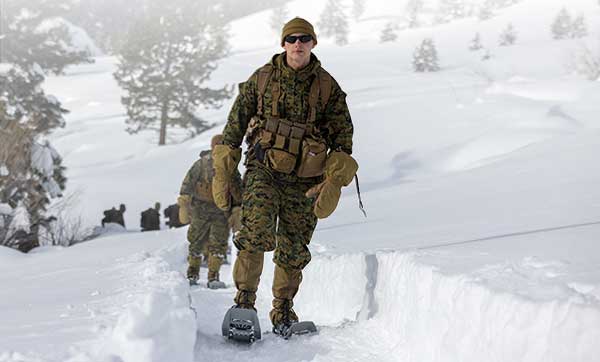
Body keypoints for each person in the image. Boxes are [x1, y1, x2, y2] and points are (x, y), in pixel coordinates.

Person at [212, 17, 357, 335]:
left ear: (313, 43)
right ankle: (244, 305)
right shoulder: (262, 79)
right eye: (291, 38)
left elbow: (342, 133)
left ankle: (283, 312)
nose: (298, 44)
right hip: (263, 169)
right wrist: (225, 162)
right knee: (255, 232)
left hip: (306, 179)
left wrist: (333, 176)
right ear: (283, 43)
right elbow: (236, 120)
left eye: (304, 38)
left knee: (294, 245)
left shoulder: (327, 87)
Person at [178, 134, 242, 288]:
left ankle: (213, 276)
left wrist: (237, 209)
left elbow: (237, 189)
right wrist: (184, 201)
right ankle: (192, 274)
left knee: (218, 244)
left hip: (222, 211)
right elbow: (188, 183)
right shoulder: (201, 164)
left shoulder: (230, 166)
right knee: (196, 241)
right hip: (201, 209)